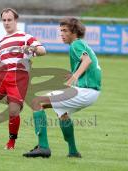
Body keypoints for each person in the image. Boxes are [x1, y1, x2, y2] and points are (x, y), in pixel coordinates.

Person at [23, 18, 101, 158]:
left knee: (37, 102)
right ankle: (73, 152)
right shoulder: (81, 44)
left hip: (85, 91)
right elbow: (89, 62)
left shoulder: (76, 44)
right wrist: (74, 73)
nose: (62, 34)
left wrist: (75, 76)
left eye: (65, 31)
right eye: (61, 31)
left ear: (74, 32)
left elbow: (87, 61)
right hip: (91, 92)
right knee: (62, 114)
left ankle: (43, 147)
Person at [0, 8, 46, 150]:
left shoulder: (25, 37)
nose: (6, 23)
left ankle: (11, 142)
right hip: (2, 74)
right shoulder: (1, 42)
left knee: (13, 111)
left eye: (9, 20)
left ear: (15, 20)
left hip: (19, 77)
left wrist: (31, 49)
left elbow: (43, 50)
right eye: (4, 20)